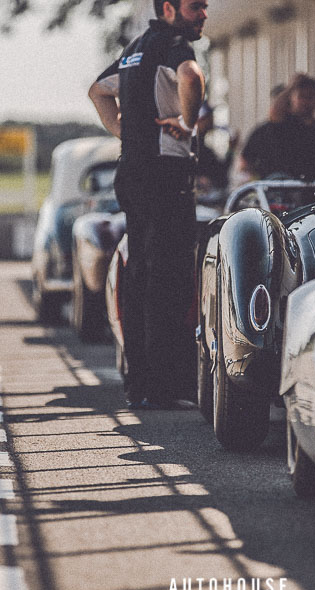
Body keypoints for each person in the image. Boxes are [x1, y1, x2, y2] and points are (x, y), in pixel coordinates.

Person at [88, 0, 208, 409]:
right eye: (196, 7)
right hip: (166, 174)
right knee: (170, 280)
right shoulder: (174, 45)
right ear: (170, 9)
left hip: (132, 171)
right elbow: (191, 77)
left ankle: (138, 383)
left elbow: (98, 91)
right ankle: (166, 387)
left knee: (139, 274)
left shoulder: (134, 48)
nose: (204, 14)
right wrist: (189, 125)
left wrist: (125, 130)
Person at [238, 74, 315, 181]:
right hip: (277, 191)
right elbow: (246, 161)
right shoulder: (280, 126)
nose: (305, 102)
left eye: (310, 97)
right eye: (301, 96)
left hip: (313, 193)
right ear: (291, 98)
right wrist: (291, 87)